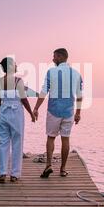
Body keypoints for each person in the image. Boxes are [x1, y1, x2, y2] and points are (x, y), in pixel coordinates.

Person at [33, 48, 83, 177]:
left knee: (51, 137)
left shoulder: (51, 72)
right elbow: (79, 95)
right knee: (65, 139)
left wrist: (36, 108)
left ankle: (49, 165)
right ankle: (63, 169)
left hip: (53, 111)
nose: (53, 59)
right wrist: (78, 113)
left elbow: (44, 91)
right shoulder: (77, 74)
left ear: (60, 57)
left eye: (54, 56)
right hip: (69, 112)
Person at [0, 57, 35, 183]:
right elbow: (24, 99)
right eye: (15, 64)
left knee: (3, 143)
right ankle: (15, 174)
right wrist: (31, 113)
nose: (17, 65)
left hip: (3, 112)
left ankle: (2, 173)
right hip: (16, 112)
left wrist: (1, 113)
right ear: (11, 66)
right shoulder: (18, 81)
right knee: (17, 143)